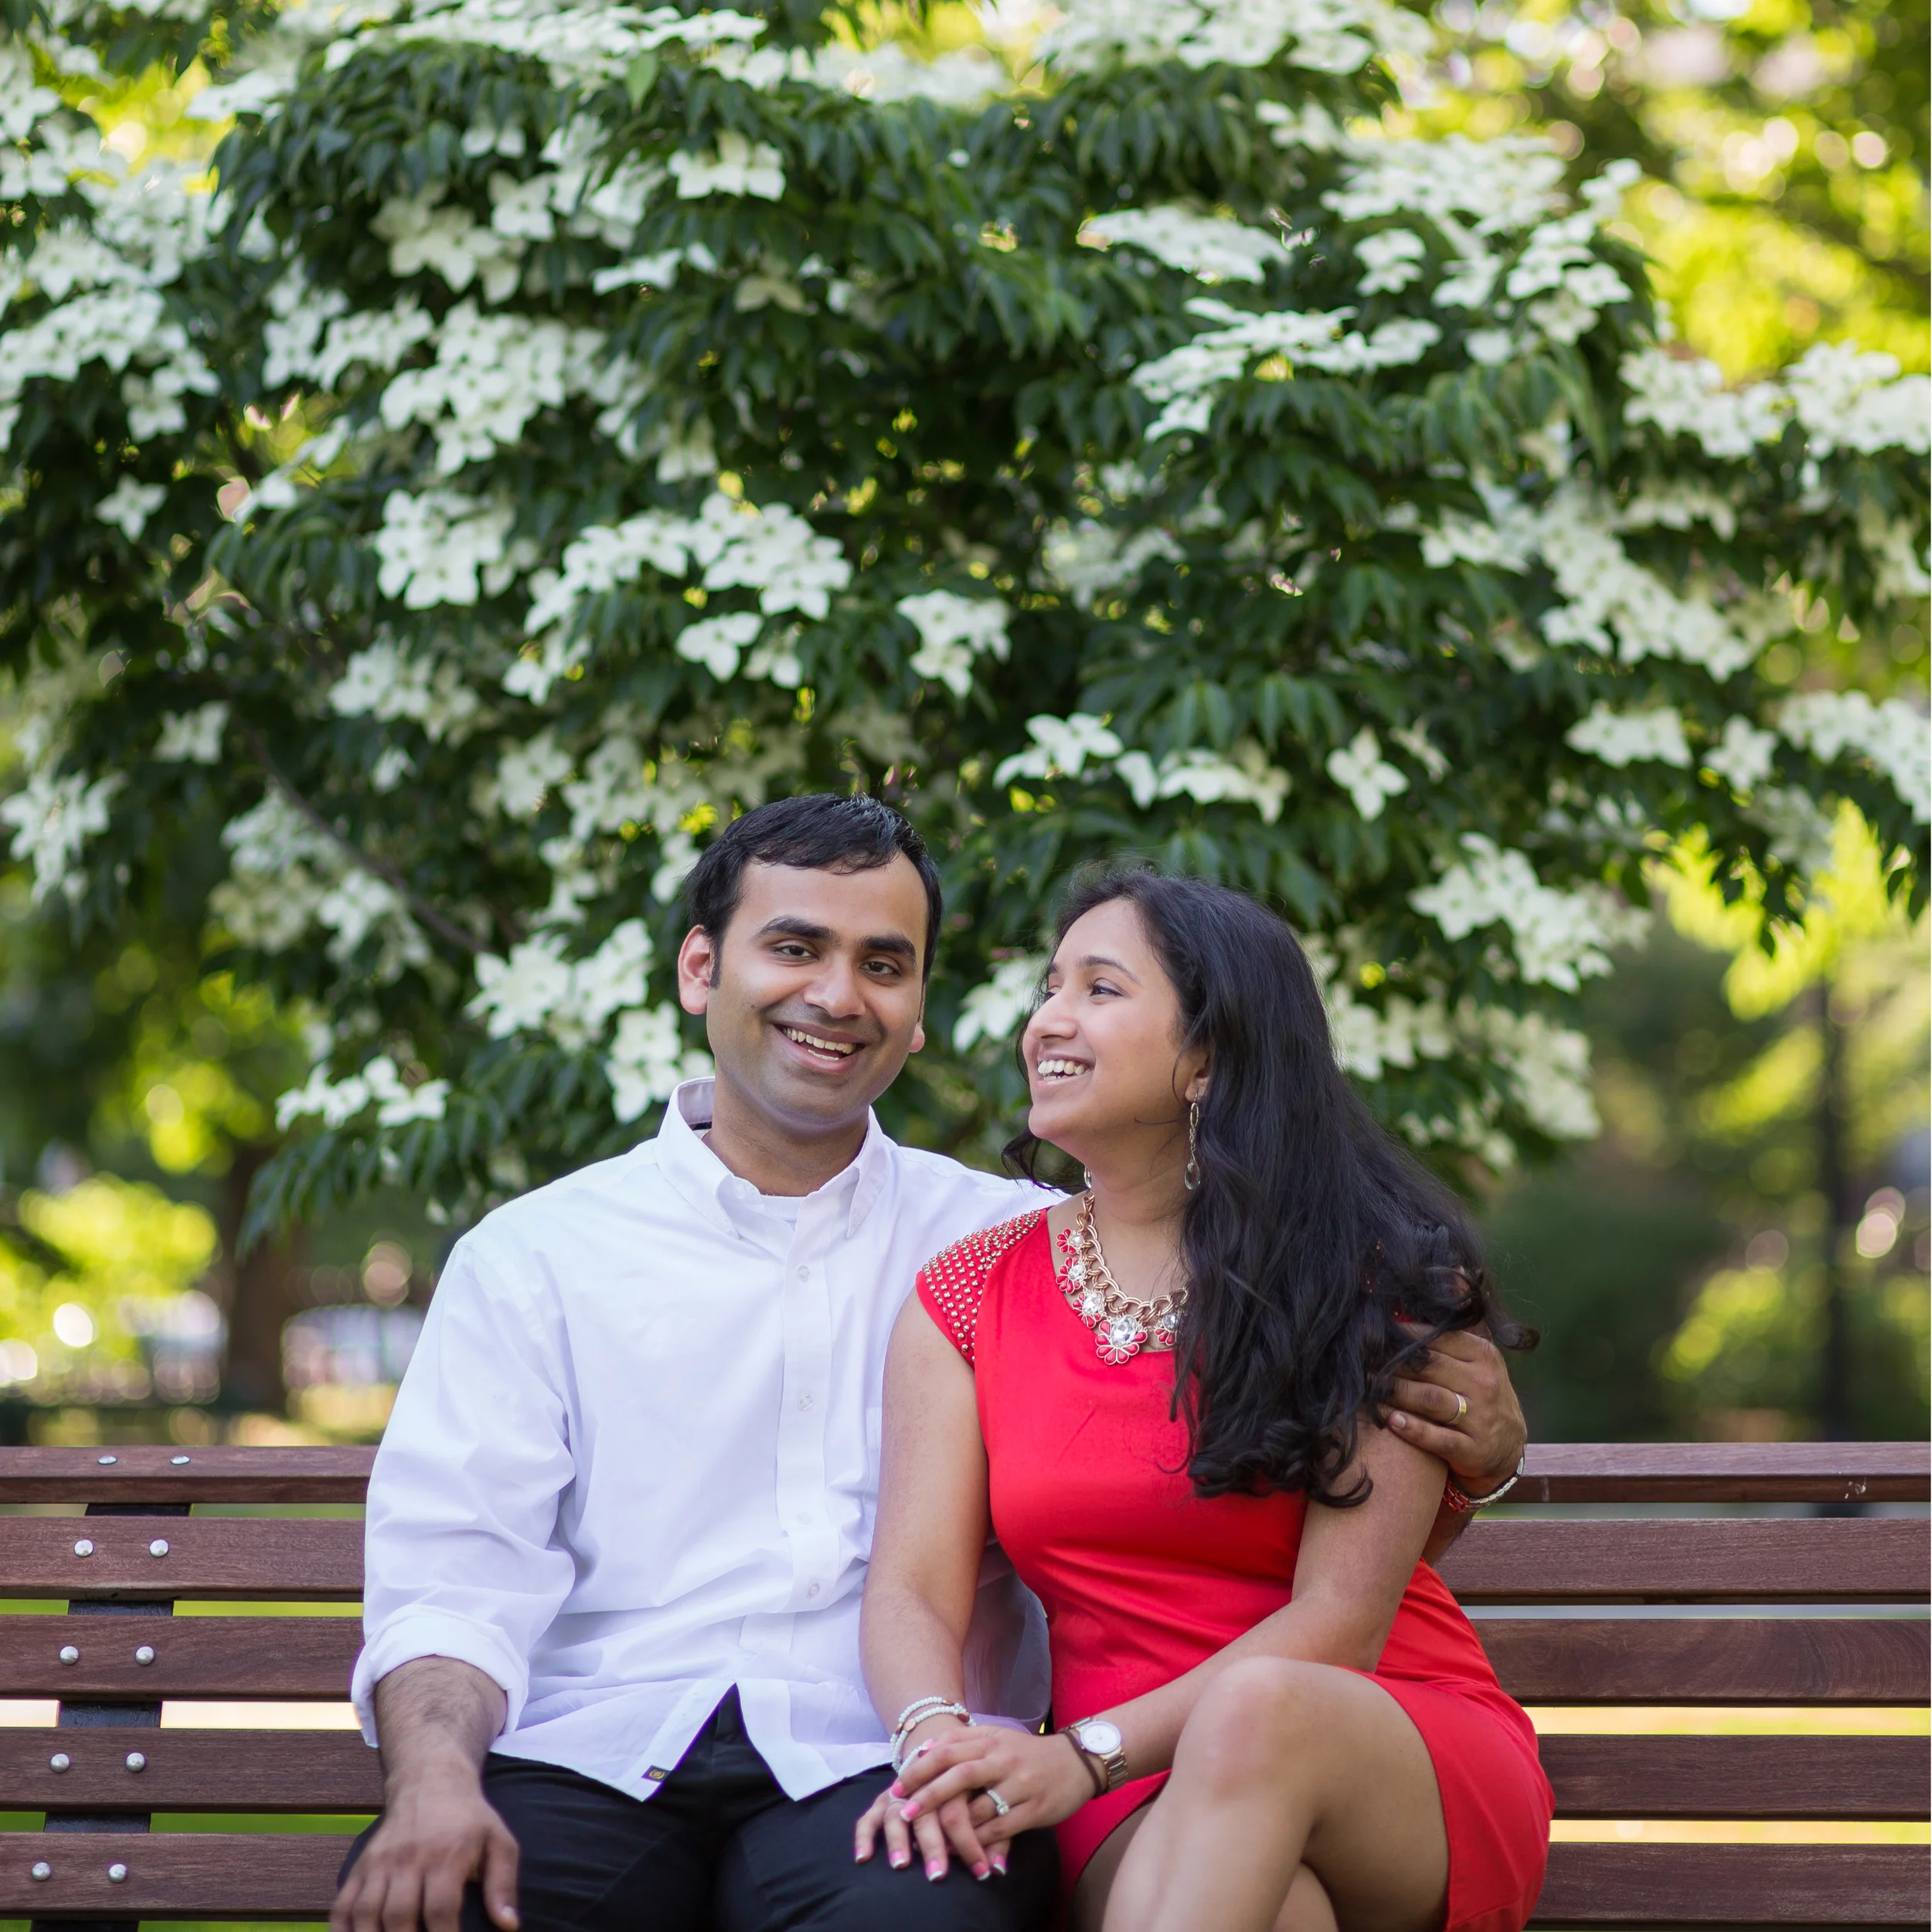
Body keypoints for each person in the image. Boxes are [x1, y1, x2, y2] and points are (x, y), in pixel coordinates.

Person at [332, 796, 1531, 1932]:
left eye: (885, 964)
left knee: (935, 1906)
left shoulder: (990, 1230)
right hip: (602, 1752)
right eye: (794, 946)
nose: (837, 996)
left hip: (888, 1765)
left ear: (916, 1007)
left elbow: (1342, 1551)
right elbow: (454, 1574)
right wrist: (433, 1782)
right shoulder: (543, 1255)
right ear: (702, 969)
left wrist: (1486, 1453)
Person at [856, 869, 1551, 1932]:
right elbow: (910, 1586)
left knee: (1257, 1710)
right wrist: (932, 1740)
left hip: (1372, 1746)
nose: (1049, 1018)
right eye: (1050, 988)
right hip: (1126, 1790)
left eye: (1100, 989)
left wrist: (1079, 1759)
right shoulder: (970, 1296)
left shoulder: (1370, 1278)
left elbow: (1341, 1622)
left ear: (1207, 1055)